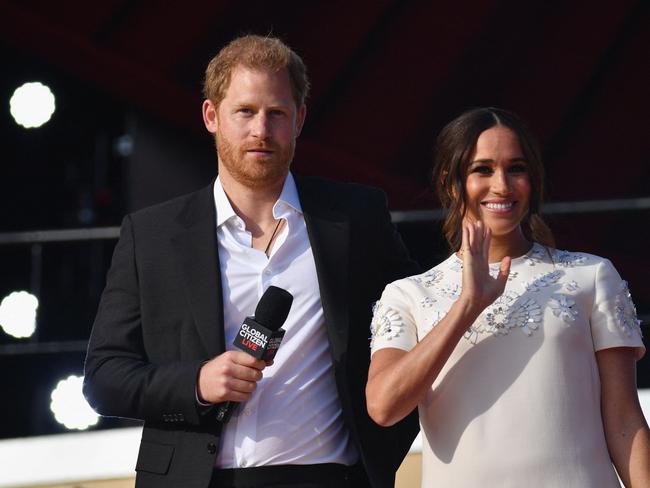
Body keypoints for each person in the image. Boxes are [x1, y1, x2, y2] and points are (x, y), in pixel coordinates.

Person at [83, 35, 419, 488]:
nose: (261, 130)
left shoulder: (355, 219)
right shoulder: (152, 236)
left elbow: (417, 326)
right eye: (245, 111)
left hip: (329, 477)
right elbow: (104, 378)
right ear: (211, 116)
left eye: (276, 113)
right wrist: (197, 384)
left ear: (299, 120)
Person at [366, 107, 650, 487]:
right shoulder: (409, 294)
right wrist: (468, 305)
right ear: (451, 183)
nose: (501, 185)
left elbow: (625, 421)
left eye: (516, 168)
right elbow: (384, 406)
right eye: (482, 169)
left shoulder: (591, 276)